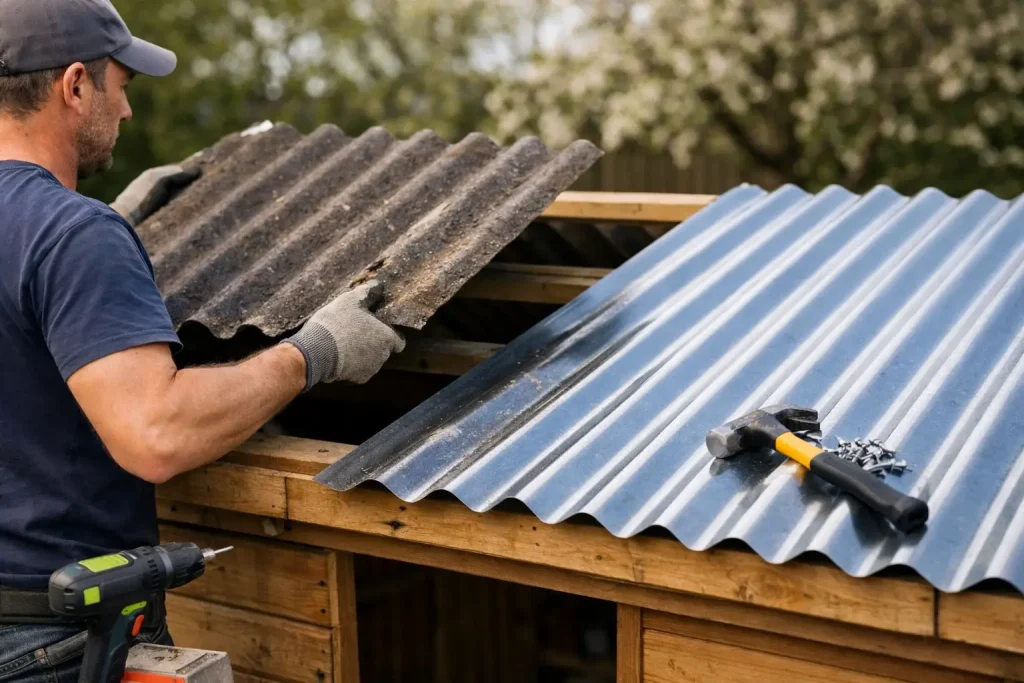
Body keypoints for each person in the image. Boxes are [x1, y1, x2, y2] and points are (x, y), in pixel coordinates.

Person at [0, 1, 405, 680]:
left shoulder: (59, 234)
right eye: (119, 86)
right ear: (74, 86)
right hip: (53, 643)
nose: (126, 111)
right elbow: (156, 433)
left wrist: (92, 231)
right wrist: (312, 353)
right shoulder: (73, 236)